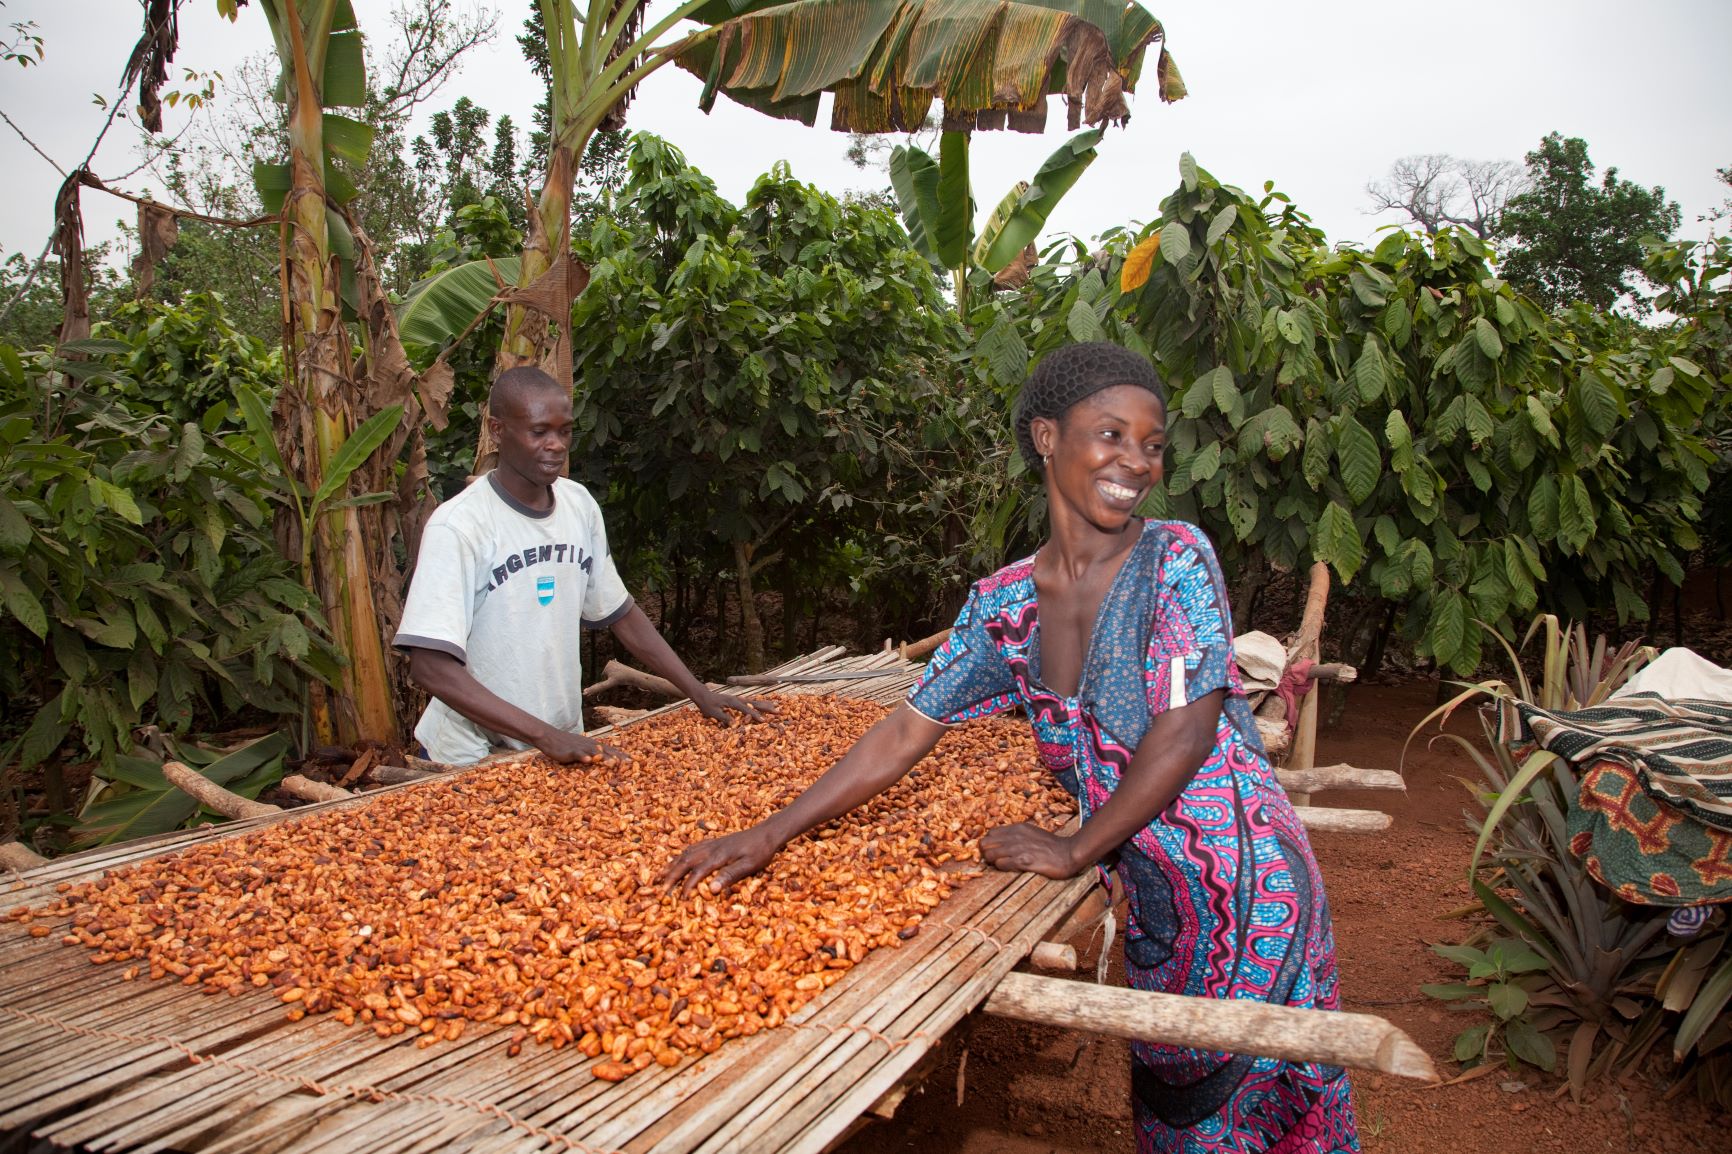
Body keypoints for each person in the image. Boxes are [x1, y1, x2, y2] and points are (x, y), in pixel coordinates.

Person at [662, 343, 1359, 1153]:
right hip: (1163, 909)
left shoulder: (1176, 558)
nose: (1135, 461)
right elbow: (902, 731)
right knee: (1178, 1108)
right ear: (1046, 437)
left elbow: (1184, 729)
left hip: (1251, 893)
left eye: (1153, 444)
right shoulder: (1004, 608)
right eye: (1110, 435)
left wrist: (1074, 848)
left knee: (1246, 1113)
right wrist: (771, 831)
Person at [394, 366, 765, 766]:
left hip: (558, 739)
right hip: (468, 751)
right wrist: (544, 735)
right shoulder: (460, 525)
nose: (556, 445)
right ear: (498, 430)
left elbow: (621, 614)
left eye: (565, 431)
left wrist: (699, 692)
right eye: (539, 432)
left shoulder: (579, 505)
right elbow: (429, 666)